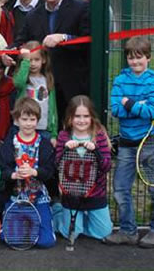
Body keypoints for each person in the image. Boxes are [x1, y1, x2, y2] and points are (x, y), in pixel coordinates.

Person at [104, 36, 154, 248]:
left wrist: (128, 102)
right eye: (131, 58)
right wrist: (136, 106)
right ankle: (127, 231)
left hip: (151, 142)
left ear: (148, 58)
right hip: (127, 144)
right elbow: (116, 110)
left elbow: (151, 111)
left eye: (139, 58)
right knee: (121, 188)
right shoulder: (120, 80)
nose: (135, 62)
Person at [12, 0, 90, 122]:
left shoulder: (81, 8)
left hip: (73, 85)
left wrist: (64, 38)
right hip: (43, 86)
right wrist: (10, 53)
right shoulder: (33, 16)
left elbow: (88, 40)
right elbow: (21, 42)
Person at [0, 97, 57, 248]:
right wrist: (14, 175)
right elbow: (2, 168)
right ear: (17, 120)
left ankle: (42, 221)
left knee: (46, 242)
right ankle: (24, 224)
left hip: (38, 197)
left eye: (32, 119)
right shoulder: (10, 143)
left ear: (37, 120)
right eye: (24, 119)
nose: (28, 123)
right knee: (9, 240)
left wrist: (34, 172)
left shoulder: (44, 144)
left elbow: (50, 172)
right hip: (16, 197)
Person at [52, 95, 112, 241]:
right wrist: (65, 150)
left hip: (95, 194)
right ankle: (57, 212)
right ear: (70, 118)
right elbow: (56, 166)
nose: (82, 120)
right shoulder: (63, 136)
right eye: (77, 116)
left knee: (103, 233)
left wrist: (96, 151)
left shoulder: (99, 136)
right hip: (71, 194)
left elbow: (106, 166)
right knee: (71, 234)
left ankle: (81, 220)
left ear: (91, 117)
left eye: (86, 116)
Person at [14, 42, 58, 146]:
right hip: (23, 128)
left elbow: (53, 109)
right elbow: (18, 83)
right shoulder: (23, 79)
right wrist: (25, 60)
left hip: (43, 129)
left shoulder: (48, 80)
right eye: (30, 60)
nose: (32, 63)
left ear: (44, 60)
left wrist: (54, 134)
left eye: (36, 59)